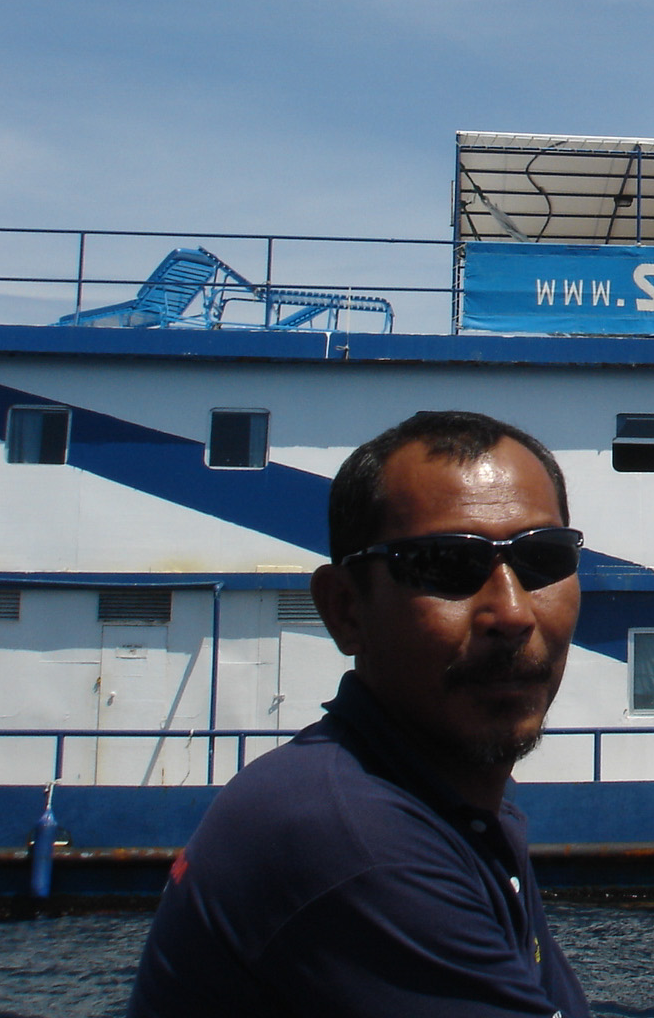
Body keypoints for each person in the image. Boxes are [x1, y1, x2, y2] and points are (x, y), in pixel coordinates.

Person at [129, 411, 591, 1018]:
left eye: (542, 560)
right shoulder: (355, 844)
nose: (511, 612)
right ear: (344, 608)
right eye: (445, 565)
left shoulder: (457, 809)